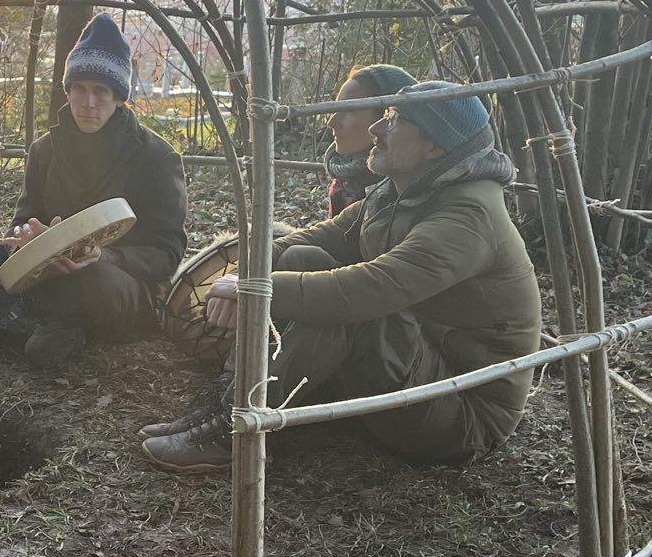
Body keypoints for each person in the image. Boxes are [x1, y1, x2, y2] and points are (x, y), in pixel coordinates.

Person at [141, 81, 541, 473]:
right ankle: (231, 404)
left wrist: (253, 291)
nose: (376, 128)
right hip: (418, 371)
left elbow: (370, 289)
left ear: (434, 146)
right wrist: (243, 274)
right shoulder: (402, 192)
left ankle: (240, 430)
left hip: (461, 414)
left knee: (349, 307)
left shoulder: (468, 216)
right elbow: (316, 238)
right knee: (302, 258)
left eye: (395, 120)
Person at [0, 11, 187, 367]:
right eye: (79, 89)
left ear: (119, 97)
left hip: (113, 285)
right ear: (67, 90)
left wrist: (104, 256)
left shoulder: (157, 157)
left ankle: (3, 313)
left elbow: (167, 254)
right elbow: (23, 219)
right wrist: (25, 239)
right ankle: (30, 325)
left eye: (100, 91)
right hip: (44, 275)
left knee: (86, 277)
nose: (88, 102)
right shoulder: (44, 150)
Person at [322, 64, 416, 215]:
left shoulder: (404, 187)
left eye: (349, 110)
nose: (332, 122)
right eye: (337, 108)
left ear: (387, 118)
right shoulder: (345, 181)